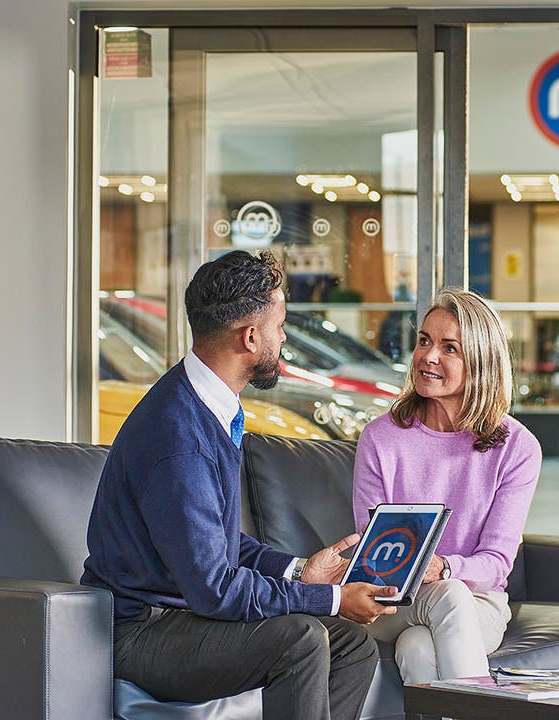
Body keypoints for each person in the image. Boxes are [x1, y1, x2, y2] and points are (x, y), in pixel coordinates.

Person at [81, 250, 397, 720]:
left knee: (349, 643)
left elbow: (217, 545)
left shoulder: (206, 405)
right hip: (143, 631)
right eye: (280, 325)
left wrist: (298, 571)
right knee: (301, 638)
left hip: (182, 615)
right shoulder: (178, 435)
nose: (284, 339)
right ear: (250, 337)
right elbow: (214, 588)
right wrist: (329, 598)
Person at [352, 288, 543, 684]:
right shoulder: (380, 438)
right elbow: (371, 553)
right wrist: (429, 574)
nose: (428, 356)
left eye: (449, 348)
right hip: (390, 602)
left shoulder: (517, 447)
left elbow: (496, 563)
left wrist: (444, 568)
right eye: (424, 340)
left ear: (480, 361)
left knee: (418, 647)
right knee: (448, 596)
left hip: (479, 602)